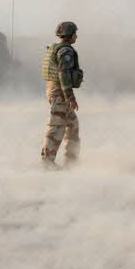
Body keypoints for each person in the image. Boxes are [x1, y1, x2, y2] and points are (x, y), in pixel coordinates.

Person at [41, 21, 83, 167]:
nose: (76, 36)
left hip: (56, 91)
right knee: (56, 127)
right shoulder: (65, 51)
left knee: (72, 125)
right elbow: (63, 74)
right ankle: (47, 162)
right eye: (75, 34)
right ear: (69, 35)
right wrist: (70, 97)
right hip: (60, 92)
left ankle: (70, 162)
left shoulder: (58, 48)